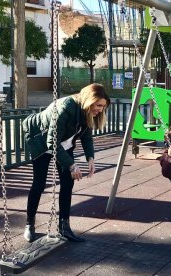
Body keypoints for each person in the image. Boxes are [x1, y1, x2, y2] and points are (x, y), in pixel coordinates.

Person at [22, 83, 110, 242]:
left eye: (103, 106)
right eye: (98, 105)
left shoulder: (87, 112)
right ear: (89, 100)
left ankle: (64, 227)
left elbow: (86, 135)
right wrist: (71, 164)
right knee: (39, 184)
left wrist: (90, 157)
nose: (100, 110)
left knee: (68, 182)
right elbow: (52, 143)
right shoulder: (66, 107)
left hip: (63, 144)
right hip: (41, 142)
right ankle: (29, 224)